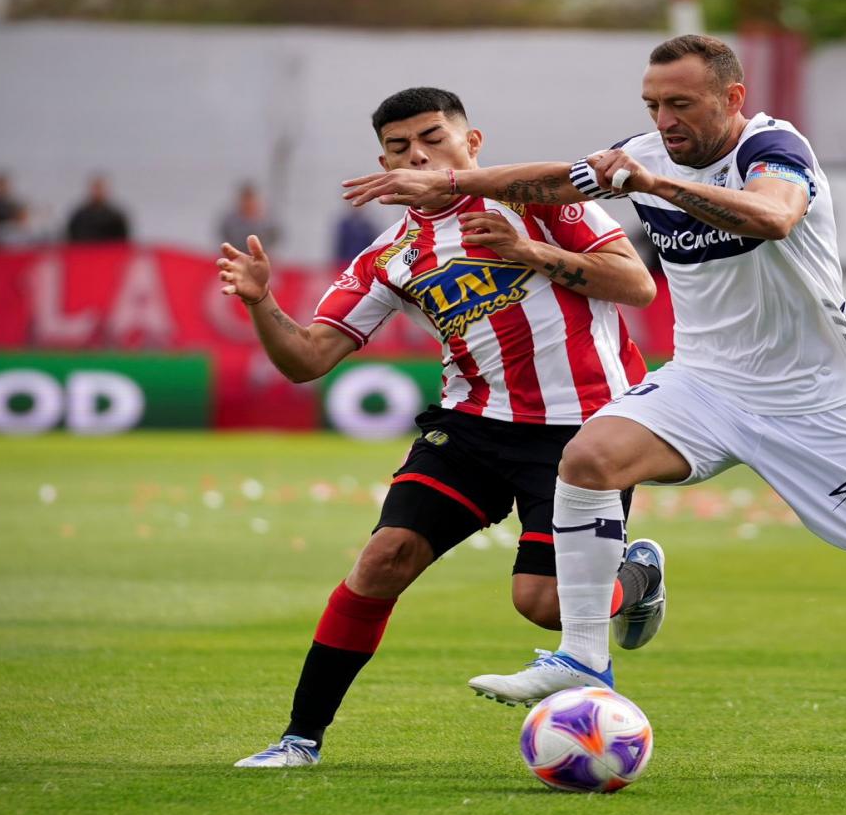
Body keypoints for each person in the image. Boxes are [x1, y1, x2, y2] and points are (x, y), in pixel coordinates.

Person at [342, 36, 846, 781]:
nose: (664, 117)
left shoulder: (774, 147)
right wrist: (463, 182)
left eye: (680, 103)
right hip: (707, 384)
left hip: (817, 403)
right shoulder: (645, 149)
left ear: (731, 98)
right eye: (653, 104)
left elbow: (773, 217)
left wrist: (652, 181)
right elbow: (558, 179)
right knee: (588, 458)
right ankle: (584, 657)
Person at [223, 87, 667, 768]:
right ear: (383, 161)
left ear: (472, 144)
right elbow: (309, 358)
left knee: (543, 606)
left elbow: (634, 284)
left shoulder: (540, 200)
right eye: (400, 147)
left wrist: (529, 254)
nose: (418, 153)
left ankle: (634, 578)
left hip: (582, 434)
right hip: (471, 428)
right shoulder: (388, 255)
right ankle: (299, 740)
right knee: (382, 560)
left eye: (433, 137)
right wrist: (262, 305)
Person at [65, 174, 130, 242]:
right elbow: (72, 240)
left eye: (100, 189)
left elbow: (122, 242)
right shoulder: (79, 216)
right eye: (96, 188)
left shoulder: (116, 217)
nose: (98, 192)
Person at [218, 181, 279, 250]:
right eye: (245, 200)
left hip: (262, 256)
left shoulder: (268, 221)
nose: (248, 203)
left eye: (250, 200)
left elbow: (274, 238)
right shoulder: (230, 221)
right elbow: (225, 236)